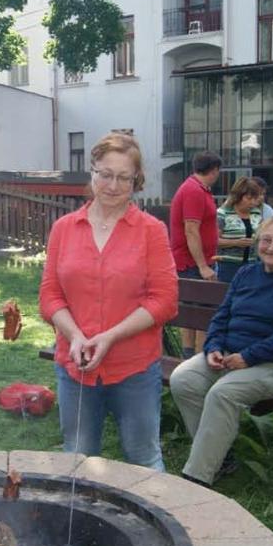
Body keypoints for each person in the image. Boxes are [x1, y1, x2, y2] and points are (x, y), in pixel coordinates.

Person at [39, 132, 178, 470]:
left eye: (123, 177)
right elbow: (49, 294)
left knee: (143, 457)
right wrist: (75, 336)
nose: (113, 185)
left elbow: (166, 300)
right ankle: (80, 524)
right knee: (77, 457)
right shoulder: (64, 228)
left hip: (134, 366)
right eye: (105, 174)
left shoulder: (151, 231)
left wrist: (109, 336)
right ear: (92, 172)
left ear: (136, 181)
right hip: (75, 366)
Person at [170, 216, 273, 487]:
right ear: (257, 242)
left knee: (224, 392)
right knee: (183, 379)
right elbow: (221, 317)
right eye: (266, 239)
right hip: (232, 356)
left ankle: (196, 478)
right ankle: (221, 458)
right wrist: (213, 347)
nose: (272, 247)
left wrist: (248, 357)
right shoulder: (246, 274)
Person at [170, 151, 221, 358]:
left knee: (194, 312)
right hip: (192, 264)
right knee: (201, 314)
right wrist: (202, 266)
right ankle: (196, 358)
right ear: (214, 170)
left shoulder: (199, 189)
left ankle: (191, 357)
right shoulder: (194, 191)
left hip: (195, 261)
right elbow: (191, 229)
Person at [215, 177, 264, 283]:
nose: (252, 202)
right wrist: (236, 242)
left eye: (254, 199)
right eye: (248, 198)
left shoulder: (256, 213)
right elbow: (214, 241)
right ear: (238, 196)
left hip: (252, 264)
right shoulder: (222, 214)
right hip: (229, 265)